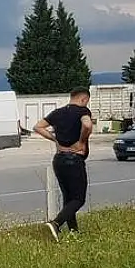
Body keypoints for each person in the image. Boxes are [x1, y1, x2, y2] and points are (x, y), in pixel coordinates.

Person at [33, 87, 93, 240]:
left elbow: (38, 127)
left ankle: (73, 231)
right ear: (84, 99)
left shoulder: (57, 113)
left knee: (68, 197)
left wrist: (55, 139)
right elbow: (87, 125)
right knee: (79, 199)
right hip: (74, 159)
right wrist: (81, 141)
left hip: (59, 159)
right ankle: (56, 223)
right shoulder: (83, 111)